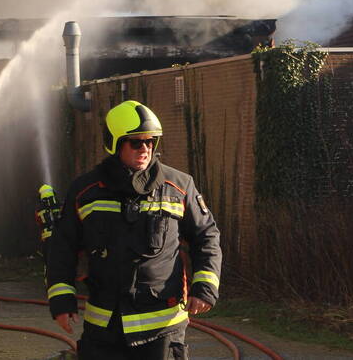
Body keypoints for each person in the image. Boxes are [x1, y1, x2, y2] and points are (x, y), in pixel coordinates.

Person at [46, 100, 222, 359]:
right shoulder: (85, 191)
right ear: (115, 144)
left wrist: (205, 286)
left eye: (151, 141)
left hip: (162, 330)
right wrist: (61, 299)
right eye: (136, 142)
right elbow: (62, 246)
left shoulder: (179, 186)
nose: (145, 148)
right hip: (104, 328)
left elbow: (206, 236)